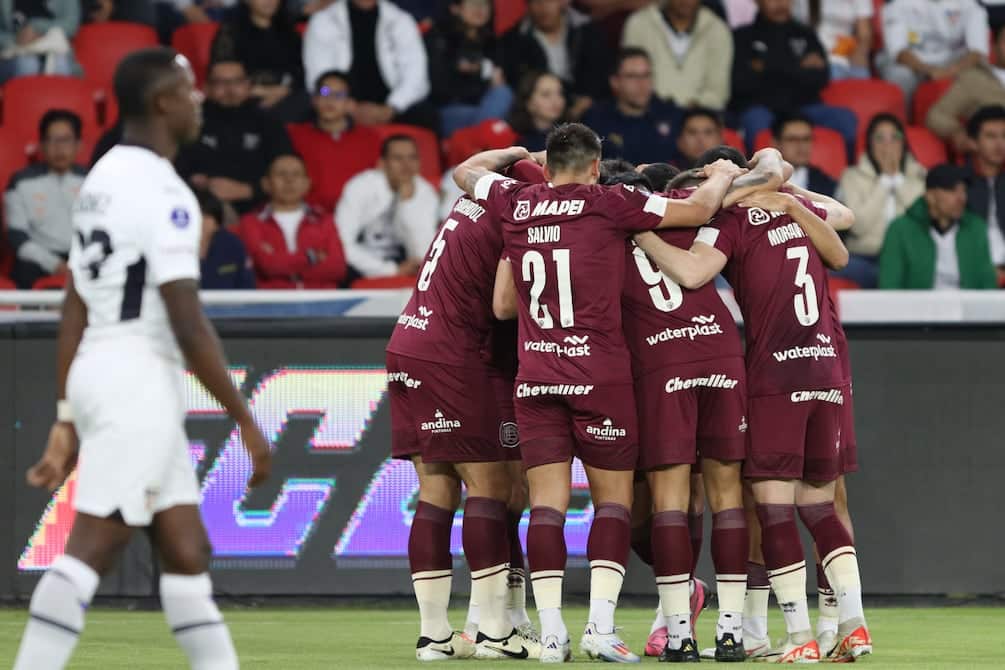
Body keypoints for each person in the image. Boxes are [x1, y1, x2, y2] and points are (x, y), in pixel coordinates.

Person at [453, 123, 760, 663]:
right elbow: (695, 211)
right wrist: (724, 176)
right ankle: (599, 627)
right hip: (599, 373)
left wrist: (515, 152)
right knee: (612, 503)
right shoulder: (610, 202)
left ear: (549, 166)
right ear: (595, 167)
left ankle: (552, 634)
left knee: (546, 506)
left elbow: (466, 173)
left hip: (537, 375)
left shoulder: (515, 201)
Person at [11, 47, 271, 670]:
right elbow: (186, 317)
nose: (197, 99)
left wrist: (68, 410)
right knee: (90, 548)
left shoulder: (100, 177)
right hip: (137, 377)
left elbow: (75, 300)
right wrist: (246, 420)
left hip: (101, 367)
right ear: (162, 102)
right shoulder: (165, 190)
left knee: (186, 550)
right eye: (187, 89)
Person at [635, 164, 871, 663]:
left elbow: (694, 271)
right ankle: (852, 625)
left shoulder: (732, 221)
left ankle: (801, 638)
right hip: (828, 370)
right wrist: (784, 195)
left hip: (776, 376)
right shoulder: (797, 208)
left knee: (774, 508)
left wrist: (638, 233)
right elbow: (843, 251)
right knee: (822, 506)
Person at [611, 151, 791, 661]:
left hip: (661, 361)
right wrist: (728, 171)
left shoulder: (601, 222)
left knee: (671, 498)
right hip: (718, 350)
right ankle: (731, 632)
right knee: (726, 494)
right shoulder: (693, 206)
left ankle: (680, 634)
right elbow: (776, 173)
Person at [386, 156, 544, 661]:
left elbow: (468, 166)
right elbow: (502, 305)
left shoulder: (470, 200)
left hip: (407, 346)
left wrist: (523, 152)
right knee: (492, 489)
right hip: (457, 357)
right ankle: (495, 631)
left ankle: (434, 636)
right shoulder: (519, 213)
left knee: (436, 491)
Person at [731, 0, 857, 158]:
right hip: (762, 108)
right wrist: (798, 67)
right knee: (755, 123)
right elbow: (741, 83)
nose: (780, 3)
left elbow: (821, 78)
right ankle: (758, 178)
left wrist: (767, 67)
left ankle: (849, 177)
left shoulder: (805, 34)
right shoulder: (742, 36)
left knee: (845, 118)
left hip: (804, 107)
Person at [176, 59, 294, 214]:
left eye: (237, 82)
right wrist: (196, 185)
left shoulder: (268, 121)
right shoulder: (190, 121)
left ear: (248, 85)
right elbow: (175, 171)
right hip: (203, 209)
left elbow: (287, 171)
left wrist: (247, 190)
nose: (230, 89)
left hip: (262, 210)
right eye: (221, 83)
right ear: (206, 87)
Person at [303, 0, 437, 130]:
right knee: (308, 110)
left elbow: (416, 77)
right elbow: (318, 77)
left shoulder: (401, 20)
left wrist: (391, 107)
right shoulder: (323, 20)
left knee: (426, 115)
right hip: (340, 101)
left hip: (392, 105)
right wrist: (348, 106)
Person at [836, 113, 927, 288]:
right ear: (870, 144)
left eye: (895, 137)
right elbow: (858, 226)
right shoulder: (851, 177)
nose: (888, 145)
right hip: (866, 256)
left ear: (903, 144)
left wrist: (898, 180)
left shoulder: (920, 175)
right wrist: (884, 181)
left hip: (909, 257)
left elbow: (922, 222)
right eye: (880, 138)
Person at [335, 134, 438, 281]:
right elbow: (341, 243)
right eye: (398, 158)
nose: (406, 165)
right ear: (382, 164)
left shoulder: (425, 191)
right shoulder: (360, 186)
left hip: (404, 264)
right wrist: (390, 270)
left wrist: (409, 204)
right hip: (359, 266)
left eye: (412, 158)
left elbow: (423, 252)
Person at [879, 164, 998, 289]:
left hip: (964, 307)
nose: (961, 198)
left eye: (963, 190)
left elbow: (988, 283)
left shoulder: (975, 228)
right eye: (952, 190)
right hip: (918, 307)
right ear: (930, 196)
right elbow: (889, 286)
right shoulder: (900, 230)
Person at [237, 153, 347, 288]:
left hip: (321, 304)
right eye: (281, 174)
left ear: (307, 184)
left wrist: (283, 265)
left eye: (296, 174)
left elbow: (337, 268)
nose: (289, 180)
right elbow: (267, 266)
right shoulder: (250, 222)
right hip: (273, 305)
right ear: (266, 184)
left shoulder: (325, 220)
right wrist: (311, 257)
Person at [5, 109, 86, 290]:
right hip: (40, 259)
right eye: (52, 140)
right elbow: (17, 237)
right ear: (41, 145)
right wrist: (54, 264)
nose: (59, 148)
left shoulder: (91, 180)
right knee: (24, 269)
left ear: (79, 145)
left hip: (83, 256)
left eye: (65, 140)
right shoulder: (20, 182)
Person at [286, 70, 382, 212]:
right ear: (314, 100)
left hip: (360, 215)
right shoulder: (294, 135)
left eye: (339, 95)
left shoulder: (370, 138)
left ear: (350, 104)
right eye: (324, 92)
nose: (330, 100)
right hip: (309, 217)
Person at [499, 0, 612, 119]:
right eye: (536, 2)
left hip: (588, 106)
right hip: (537, 113)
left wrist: (586, 101)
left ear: (564, 2)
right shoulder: (512, 40)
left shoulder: (588, 31)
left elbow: (601, 73)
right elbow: (517, 84)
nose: (543, 8)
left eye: (549, 1)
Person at [621, 0, 733, 111]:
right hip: (648, 114)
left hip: (699, 116)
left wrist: (693, 108)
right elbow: (630, 79)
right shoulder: (639, 24)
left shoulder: (717, 29)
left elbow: (718, 92)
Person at [426, 0, 513, 137]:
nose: (480, 9)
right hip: (449, 109)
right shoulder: (440, 36)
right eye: (473, 3)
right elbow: (439, 86)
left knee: (503, 93)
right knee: (498, 124)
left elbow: (499, 80)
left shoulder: (493, 42)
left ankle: (478, 143)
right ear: (456, 8)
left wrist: (476, 70)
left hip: (484, 107)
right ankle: (483, 142)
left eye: (485, 4)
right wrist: (482, 73)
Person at [210, 0, 307, 121]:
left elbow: (300, 73)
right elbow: (221, 75)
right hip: (245, 96)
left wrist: (282, 92)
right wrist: (263, 92)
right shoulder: (231, 32)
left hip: (286, 96)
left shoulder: (290, 33)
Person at [584, 47, 680, 165]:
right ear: (615, 82)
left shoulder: (673, 115)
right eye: (632, 76)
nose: (641, 84)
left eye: (646, 75)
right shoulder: (596, 119)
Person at [879, 0, 990, 102]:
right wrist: (929, 70)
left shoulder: (970, 4)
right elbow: (898, 51)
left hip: (954, 61)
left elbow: (977, 51)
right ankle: (903, 121)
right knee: (900, 75)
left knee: (981, 74)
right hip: (912, 62)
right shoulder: (898, 3)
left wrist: (951, 71)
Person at [927, 24, 1005, 155]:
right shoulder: (974, 79)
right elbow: (937, 115)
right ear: (994, 46)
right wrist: (957, 132)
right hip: (992, 156)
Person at [962, 105, 1005, 277]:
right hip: (971, 271)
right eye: (991, 136)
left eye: (1004, 136)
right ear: (973, 142)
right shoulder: (959, 183)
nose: (1000, 144)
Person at [791, 0, 873, 80]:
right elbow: (792, 30)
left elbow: (864, 35)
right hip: (813, 55)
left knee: (861, 80)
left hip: (846, 54)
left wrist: (857, 59)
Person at [0, 0, 79, 82]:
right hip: (13, 53)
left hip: (53, 48)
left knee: (60, 63)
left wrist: (37, 28)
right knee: (27, 63)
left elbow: (71, 25)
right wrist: (16, 39)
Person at [195, 188, 255, 289]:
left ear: (217, 223)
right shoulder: (171, 246)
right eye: (196, 215)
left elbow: (247, 286)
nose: (200, 221)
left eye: (206, 216)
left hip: (230, 304)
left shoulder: (232, 245)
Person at [773, 113, 836, 197]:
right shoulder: (763, 179)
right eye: (792, 139)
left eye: (806, 139)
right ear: (776, 143)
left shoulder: (827, 184)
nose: (801, 145)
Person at [508, 70, 567, 152]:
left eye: (560, 93)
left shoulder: (572, 137)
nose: (556, 100)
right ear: (528, 102)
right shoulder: (516, 141)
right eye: (546, 94)